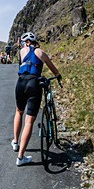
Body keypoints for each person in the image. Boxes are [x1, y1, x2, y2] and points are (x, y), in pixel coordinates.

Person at [12, 31, 62, 166]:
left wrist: (21, 45)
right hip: (34, 83)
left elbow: (22, 58)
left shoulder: (22, 51)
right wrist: (58, 75)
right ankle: (20, 157)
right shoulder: (41, 53)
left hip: (21, 82)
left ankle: (15, 142)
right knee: (29, 121)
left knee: (19, 111)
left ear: (26, 42)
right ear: (34, 42)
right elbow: (53, 69)